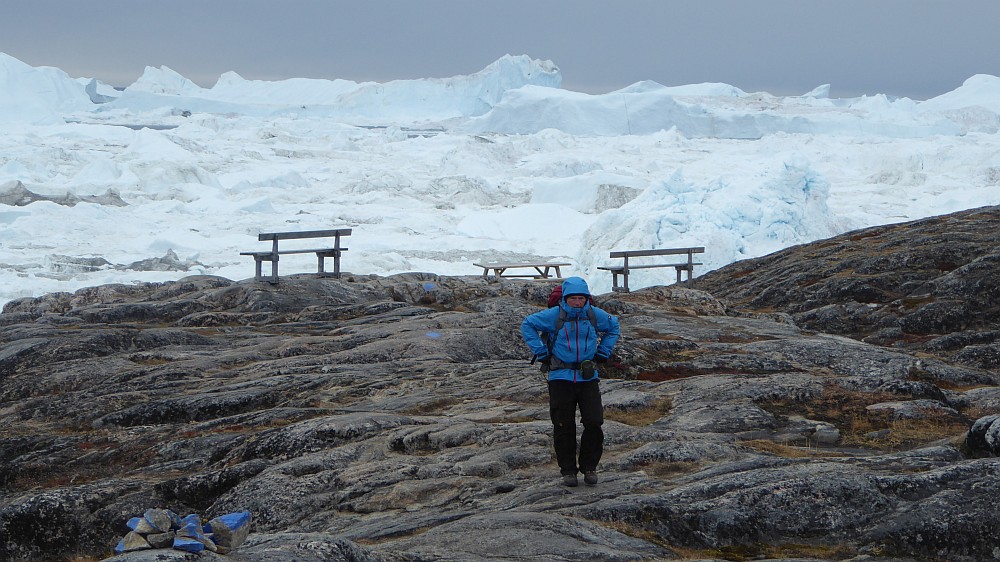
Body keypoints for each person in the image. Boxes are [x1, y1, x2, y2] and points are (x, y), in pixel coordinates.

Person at [521, 276, 621, 487]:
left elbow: (614, 327)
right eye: (573, 298)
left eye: (581, 298)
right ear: (565, 298)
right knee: (563, 424)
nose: (577, 302)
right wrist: (541, 352)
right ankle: (568, 471)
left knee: (594, 422)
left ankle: (589, 467)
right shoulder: (554, 315)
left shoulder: (593, 315)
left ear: (587, 299)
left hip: (588, 377)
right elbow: (527, 324)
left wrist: (604, 351)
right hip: (560, 377)